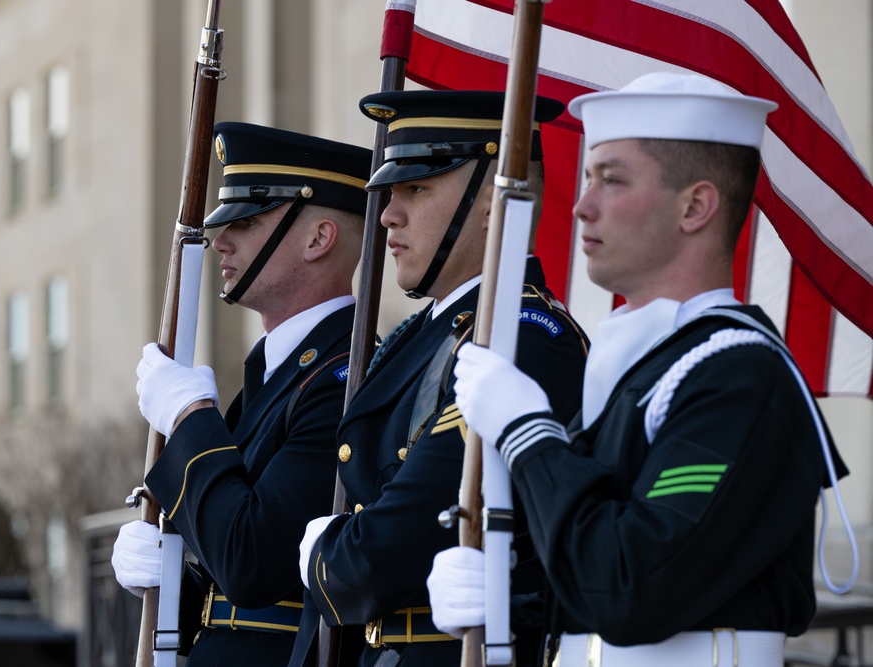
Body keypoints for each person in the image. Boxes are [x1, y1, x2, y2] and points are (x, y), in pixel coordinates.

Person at [428, 72, 849, 667]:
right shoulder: (644, 367)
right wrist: (506, 603)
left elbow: (631, 587)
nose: (580, 205)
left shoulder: (739, 378)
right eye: (587, 179)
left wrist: (529, 434)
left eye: (612, 180)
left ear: (696, 206)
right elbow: (595, 590)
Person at [291, 90, 590, 667]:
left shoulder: (518, 336)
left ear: (494, 202)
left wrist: (323, 556)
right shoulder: (428, 334)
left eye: (416, 189)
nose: (387, 214)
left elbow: (383, 553)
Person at [111, 122, 372, 667]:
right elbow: (230, 592)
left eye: (247, 222)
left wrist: (188, 417)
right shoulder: (277, 377)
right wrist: (174, 584)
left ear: (318, 238)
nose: (221, 241)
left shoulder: (343, 380)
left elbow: (254, 561)